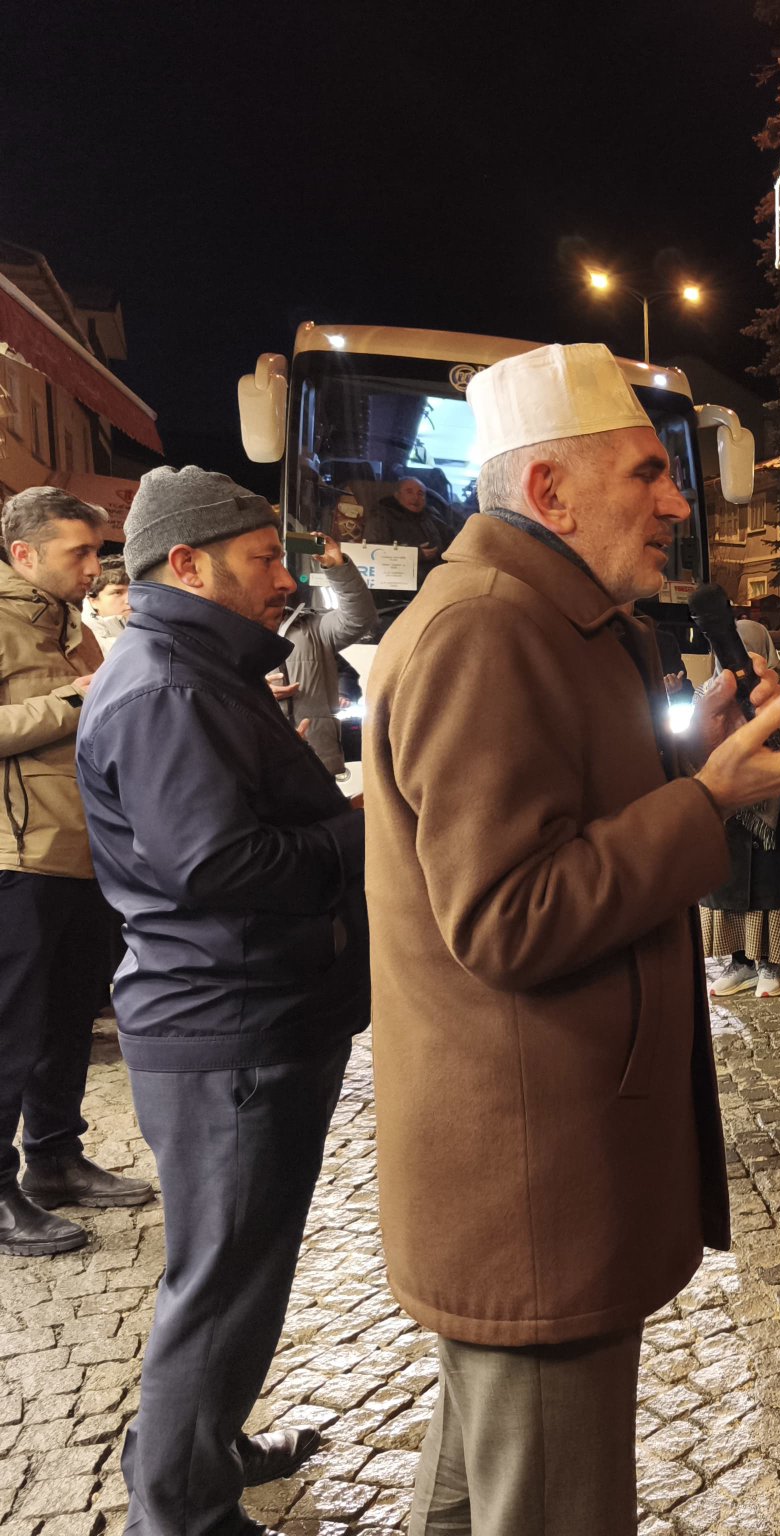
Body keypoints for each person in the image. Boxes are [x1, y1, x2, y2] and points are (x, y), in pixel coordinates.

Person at [366, 343, 780, 1533]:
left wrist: (683, 761)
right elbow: (506, 916)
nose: (676, 501)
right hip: (533, 1178)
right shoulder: (489, 630)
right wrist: (707, 801)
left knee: (480, 1491)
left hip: (533, 1169)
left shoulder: (542, 618)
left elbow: (556, 822)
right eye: (643, 474)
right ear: (549, 494)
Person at [77, 466, 362, 1529]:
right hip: (228, 1023)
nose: (281, 581)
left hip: (235, 1012)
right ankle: (182, 1506)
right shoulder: (165, 684)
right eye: (259, 562)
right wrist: (360, 828)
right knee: (222, 1281)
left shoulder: (192, 669)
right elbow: (221, 867)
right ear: (185, 566)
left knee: (235, 1268)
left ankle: (200, 1446)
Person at [0, 488, 150, 1260]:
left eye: (98, 553)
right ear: (23, 555)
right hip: (16, 856)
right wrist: (71, 701)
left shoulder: (73, 627)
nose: (94, 568)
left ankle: (54, 1158)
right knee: (12, 1028)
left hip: (82, 852)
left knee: (63, 1021)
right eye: (79, 553)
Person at [703, 619, 780, 1001]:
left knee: (770, 886)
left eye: (750, 651)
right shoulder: (709, 694)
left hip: (773, 807)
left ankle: (769, 965)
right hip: (728, 811)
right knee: (729, 886)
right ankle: (739, 963)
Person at [273, 531, 379, 775]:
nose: (284, 580)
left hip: (318, 760)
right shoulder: (226, 631)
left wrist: (337, 567)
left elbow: (359, 618)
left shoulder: (310, 626)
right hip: (260, 763)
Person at [361, 474, 455, 560]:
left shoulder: (432, 516)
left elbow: (451, 540)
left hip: (438, 570)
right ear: (397, 495)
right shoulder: (381, 517)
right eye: (409, 492)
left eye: (420, 493)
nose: (415, 498)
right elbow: (373, 550)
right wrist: (413, 553)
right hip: (401, 572)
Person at [83, 559, 131, 655]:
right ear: (93, 601)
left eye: (135, 591)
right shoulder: (81, 642)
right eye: (117, 593)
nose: (130, 600)